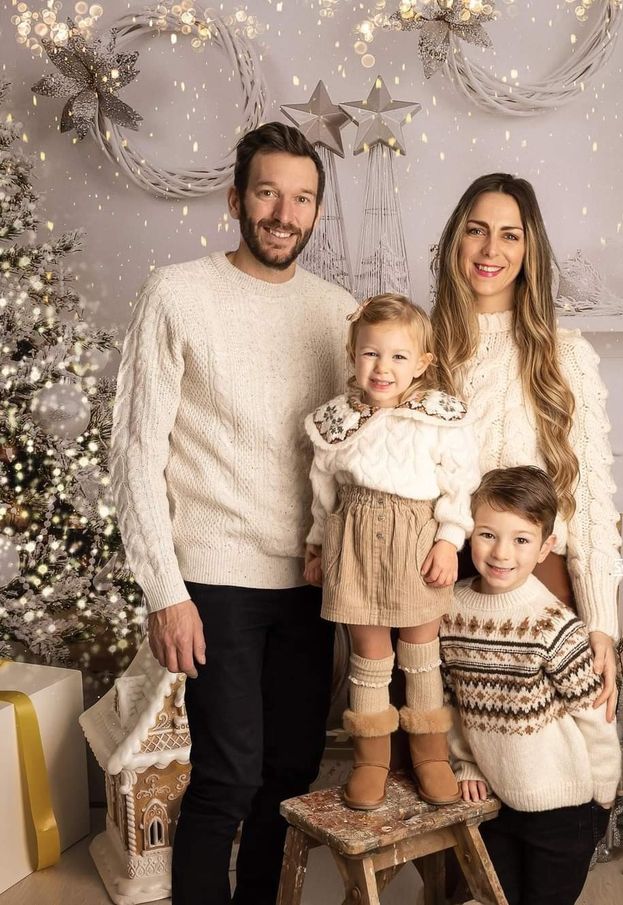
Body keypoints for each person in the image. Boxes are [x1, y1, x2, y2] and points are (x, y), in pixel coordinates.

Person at [110, 122, 355, 905]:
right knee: (226, 776)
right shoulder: (176, 293)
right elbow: (133, 454)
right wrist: (164, 591)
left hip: (312, 583)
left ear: (316, 212)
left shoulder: (339, 313)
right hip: (212, 579)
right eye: (267, 193)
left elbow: (358, 450)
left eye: (301, 198)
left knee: (287, 775)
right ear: (236, 200)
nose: (284, 213)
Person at [431, 173, 621, 721]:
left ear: (529, 249)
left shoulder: (567, 357)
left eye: (510, 235)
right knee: (456, 770)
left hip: (542, 582)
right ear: (455, 244)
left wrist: (600, 623)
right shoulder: (421, 348)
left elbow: (590, 501)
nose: (491, 250)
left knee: (551, 771)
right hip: (444, 584)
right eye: (477, 231)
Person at [304, 293, 480, 810]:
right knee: (370, 657)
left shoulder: (438, 418)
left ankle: (430, 755)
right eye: (370, 354)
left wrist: (450, 541)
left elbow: (459, 487)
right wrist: (316, 545)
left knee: (422, 656)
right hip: (354, 543)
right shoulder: (336, 422)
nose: (383, 368)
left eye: (399, 356)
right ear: (352, 354)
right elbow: (322, 491)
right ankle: (371, 760)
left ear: (422, 363)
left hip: (416, 544)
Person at [441, 466, 621, 905]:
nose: (502, 552)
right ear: (468, 533)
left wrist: (601, 800)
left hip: (564, 807)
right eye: (487, 534)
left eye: (521, 539)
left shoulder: (553, 625)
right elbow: (450, 703)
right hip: (496, 801)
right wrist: (465, 764)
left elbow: (595, 719)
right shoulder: (449, 610)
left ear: (546, 548)